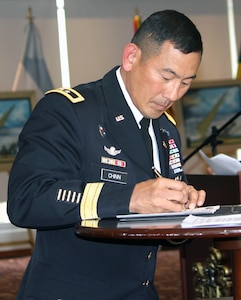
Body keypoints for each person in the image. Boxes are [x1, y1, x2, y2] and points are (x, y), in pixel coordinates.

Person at [7, 9, 206, 300]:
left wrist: (181, 209)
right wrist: (130, 198)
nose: (173, 94)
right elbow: (26, 198)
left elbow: (156, 225)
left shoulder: (165, 129)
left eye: (186, 82)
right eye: (166, 76)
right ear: (131, 57)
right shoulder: (70, 111)